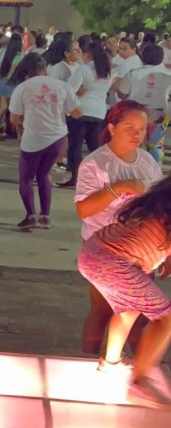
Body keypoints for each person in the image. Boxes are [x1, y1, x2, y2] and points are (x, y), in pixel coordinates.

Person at [74, 100, 163, 355]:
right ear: (112, 128)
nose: (137, 134)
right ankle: (90, 359)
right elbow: (83, 209)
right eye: (129, 128)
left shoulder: (147, 161)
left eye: (142, 129)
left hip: (141, 251)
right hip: (104, 250)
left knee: (138, 316)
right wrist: (118, 188)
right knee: (102, 311)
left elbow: (158, 208)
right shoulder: (96, 163)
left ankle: (136, 365)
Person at [78, 176, 171, 408]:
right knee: (166, 318)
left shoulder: (156, 206)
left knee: (128, 309)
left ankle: (111, 362)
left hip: (93, 252)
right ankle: (139, 384)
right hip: (111, 261)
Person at [9, 53, 83, 230]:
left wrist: (29, 120)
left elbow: (14, 118)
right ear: (45, 68)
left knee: (26, 178)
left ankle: (31, 216)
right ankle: (45, 216)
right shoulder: (62, 86)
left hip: (33, 139)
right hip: (58, 139)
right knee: (44, 174)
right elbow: (78, 113)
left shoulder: (22, 88)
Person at [58, 40, 113, 189]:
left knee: (75, 147)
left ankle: (74, 178)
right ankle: (103, 177)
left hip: (81, 111)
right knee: (95, 147)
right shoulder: (107, 71)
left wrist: (78, 92)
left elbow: (69, 89)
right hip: (99, 112)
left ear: (87, 54)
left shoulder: (83, 69)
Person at [116, 43, 170, 165]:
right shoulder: (168, 75)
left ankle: (135, 170)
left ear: (142, 57)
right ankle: (155, 171)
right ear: (161, 58)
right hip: (160, 116)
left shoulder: (133, 73)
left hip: (135, 115)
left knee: (134, 145)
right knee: (156, 147)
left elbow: (122, 94)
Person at [0, 32, 23, 140]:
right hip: (12, 84)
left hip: (2, 82)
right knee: (15, 108)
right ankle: (19, 134)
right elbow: (12, 73)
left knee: (2, 109)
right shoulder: (18, 56)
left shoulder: (6, 54)